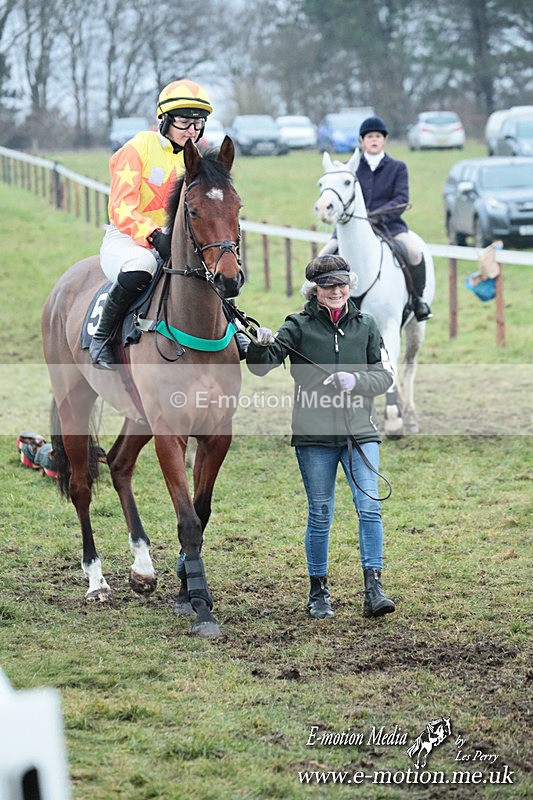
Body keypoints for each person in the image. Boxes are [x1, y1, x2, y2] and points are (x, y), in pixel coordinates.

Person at [246, 254, 396, 620]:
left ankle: (374, 588)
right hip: (314, 437)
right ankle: (318, 592)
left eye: (342, 284)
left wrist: (355, 380)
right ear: (314, 290)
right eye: (328, 286)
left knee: (369, 508)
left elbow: (384, 375)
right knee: (321, 512)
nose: (336, 291)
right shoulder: (296, 325)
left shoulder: (366, 324)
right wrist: (260, 344)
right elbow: (261, 367)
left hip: (360, 433)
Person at [90, 78, 223, 369]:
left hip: (174, 240)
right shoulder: (137, 148)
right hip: (127, 239)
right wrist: (153, 236)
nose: (192, 131)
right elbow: (121, 208)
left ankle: (234, 334)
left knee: (218, 265)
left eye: (198, 124)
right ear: (164, 120)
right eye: (185, 123)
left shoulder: (195, 158)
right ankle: (102, 337)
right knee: (143, 264)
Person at [320, 115, 432, 322]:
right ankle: (317, 304)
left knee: (415, 252)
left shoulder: (397, 167)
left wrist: (376, 215)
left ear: (384, 140)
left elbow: (401, 199)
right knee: (322, 256)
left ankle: (418, 300)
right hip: (350, 228)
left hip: (390, 226)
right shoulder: (350, 168)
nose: (374, 139)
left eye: (378, 136)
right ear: (362, 141)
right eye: (369, 136)